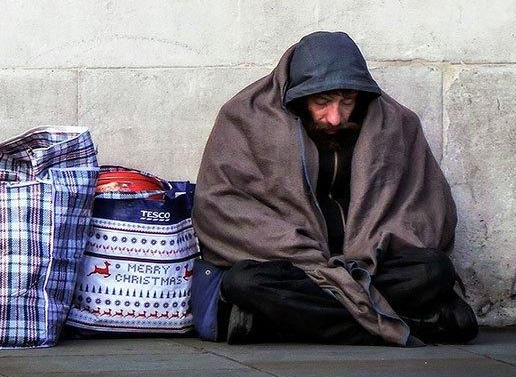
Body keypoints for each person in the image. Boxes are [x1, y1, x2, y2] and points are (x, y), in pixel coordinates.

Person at [190, 31, 477, 346]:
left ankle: (283, 325)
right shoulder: (245, 119)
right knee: (243, 282)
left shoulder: (395, 124)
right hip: (295, 268)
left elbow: (425, 208)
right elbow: (221, 207)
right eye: (322, 102)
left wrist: (372, 246)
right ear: (297, 96)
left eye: (347, 101)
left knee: (434, 271)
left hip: (370, 268)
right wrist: (301, 250)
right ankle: (409, 326)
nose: (335, 117)